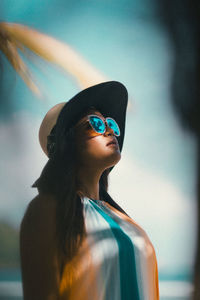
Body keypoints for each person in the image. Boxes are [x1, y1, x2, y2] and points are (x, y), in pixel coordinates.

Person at [20, 81, 160, 300]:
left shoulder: (122, 218)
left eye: (111, 125)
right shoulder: (47, 210)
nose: (109, 131)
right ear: (67, 142)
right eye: (94, 123)